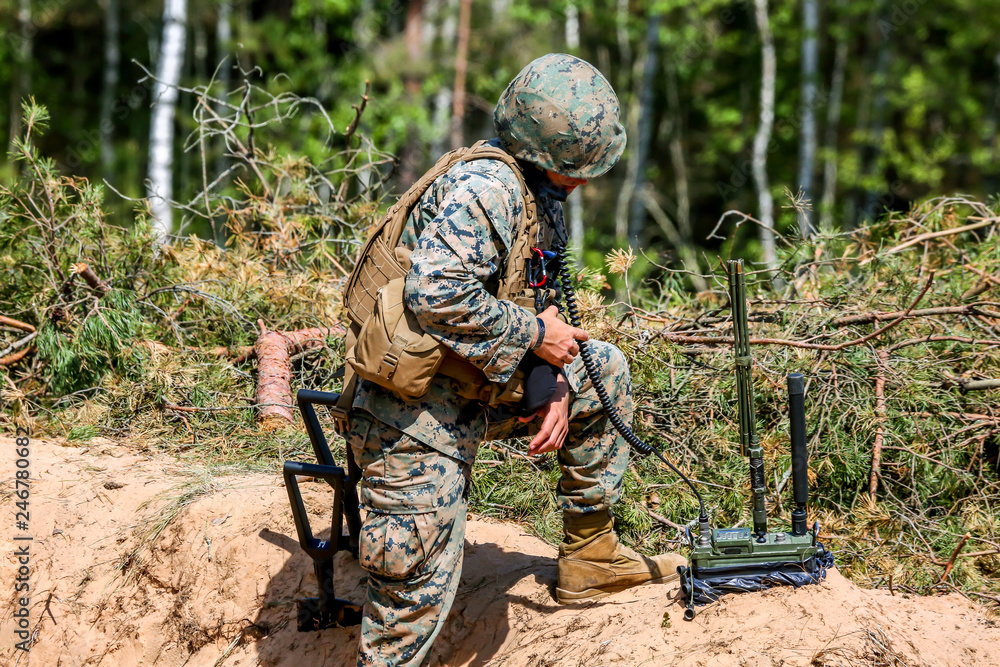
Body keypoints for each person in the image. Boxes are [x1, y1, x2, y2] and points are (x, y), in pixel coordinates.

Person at [342, 53, 686, 667]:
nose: (584, 183)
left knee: (599, 366)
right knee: (412, 592)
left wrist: (547, 375)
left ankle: (591, 553)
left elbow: (537, 305)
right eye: (578, 169)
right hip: (408, 413)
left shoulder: (534, 193)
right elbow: (436, 293)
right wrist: (532, 338)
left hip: (471, 386)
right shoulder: (489, 188)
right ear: (550, 154)